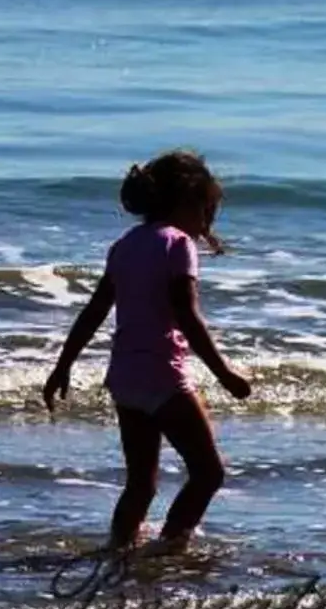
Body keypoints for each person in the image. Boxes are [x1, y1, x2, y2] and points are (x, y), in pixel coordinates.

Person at [44, 149, 254, 557]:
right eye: (207, 212)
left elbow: (94, 311)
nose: (206, 225)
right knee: (208, 473)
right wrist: (225, 375)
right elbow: (188, 317)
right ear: (186, 202)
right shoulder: (177, 244)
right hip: (162, 375)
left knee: (141, 483)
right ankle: (169, 547)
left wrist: (62, 365)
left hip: (124, 377)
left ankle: (117, 551)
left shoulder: (125, 244)